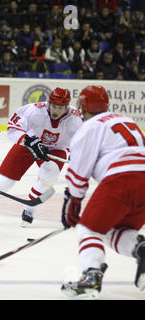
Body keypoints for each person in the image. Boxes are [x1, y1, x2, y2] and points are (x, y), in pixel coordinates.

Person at [61, 85, 145, 299]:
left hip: (122, 179)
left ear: (82, 106)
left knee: (88, 230)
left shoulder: (90, 127)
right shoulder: (126, 120)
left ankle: (91, 275)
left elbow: (79, 170)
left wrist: (74, 201)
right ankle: (141, 248)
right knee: (115, 229)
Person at [0, 88, 83, 226]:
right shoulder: (35, 111)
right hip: (28, 143)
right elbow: (13, 127)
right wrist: (28, 140)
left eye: (60, 107)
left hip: (55, 149)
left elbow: (80, 142)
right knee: (1, 183)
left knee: (50, 173)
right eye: (53, 106)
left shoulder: (76, 119)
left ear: (67, 107)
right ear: (49, 103)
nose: (55, 110)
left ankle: (29, 209)